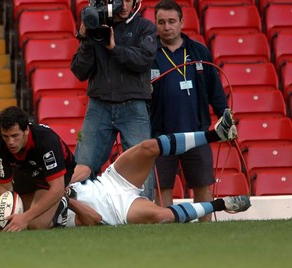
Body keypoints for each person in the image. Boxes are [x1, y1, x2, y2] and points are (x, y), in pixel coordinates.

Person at [66, 109, 245, 226]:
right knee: (161, 216)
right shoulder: (49, 215)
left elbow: (85, 169)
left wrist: (65, 180)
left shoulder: (48, 178)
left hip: (110, 181)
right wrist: (67, 199)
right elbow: (94, 219)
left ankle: (215, 134)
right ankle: (221, 204)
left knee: (147, 148)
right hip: (118, 211)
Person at [150, 0, 229, 221]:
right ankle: (165, 233)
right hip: (161, 135)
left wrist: (225, 116)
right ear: (155, 24)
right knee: (162, 187)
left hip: (197, 133)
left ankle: (205, 231)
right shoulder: (148, 54)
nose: (167, 27)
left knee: (202, 184)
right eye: (161, 22)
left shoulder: (199, 51)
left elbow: (215, 90)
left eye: (172, 21)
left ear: (182, 22)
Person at [70, 0, 157, 200]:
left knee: (141, 163)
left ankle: (143, 215)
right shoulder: (96, 26)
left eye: (128, 0)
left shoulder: (145, 27)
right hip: (99, 103)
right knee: (82, 163)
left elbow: (143, 61)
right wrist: (85, 38)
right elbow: (79, 71)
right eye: (118, 0)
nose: (123, 5)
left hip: (134, 103)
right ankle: (80, 212)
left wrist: (114, 48)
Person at [0, 106, 76, 231]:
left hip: (52, 175)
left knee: (36, 225)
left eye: (15, 136)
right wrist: (6, 216)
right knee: (18, 219)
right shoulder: (0, 142)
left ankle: (63, 201)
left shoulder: (46, 140)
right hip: (24, 169)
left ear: (26, 130)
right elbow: (4, 186)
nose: (10, 142)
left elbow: (56, 188)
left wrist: (25, 218)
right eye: (6, 136)